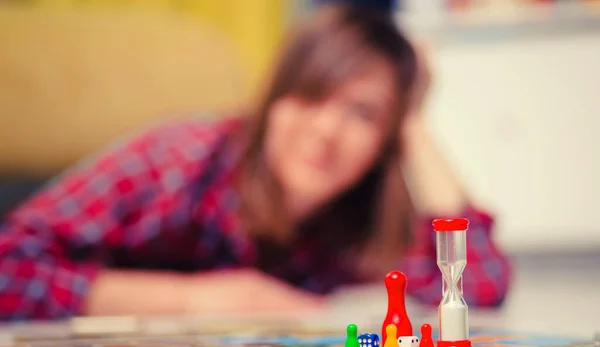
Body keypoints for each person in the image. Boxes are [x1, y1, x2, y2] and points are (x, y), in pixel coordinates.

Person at [0, 4, 511, 320]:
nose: (325, 131)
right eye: (311, 96)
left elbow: (476, 286)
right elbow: (8, 269)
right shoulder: (176, 160)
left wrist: (413, 122)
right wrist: (197, 301)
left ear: (385, 141)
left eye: (363, 113)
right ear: (273, 101)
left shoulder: (357, 212)